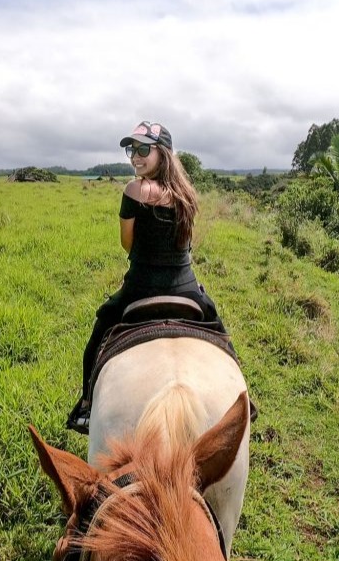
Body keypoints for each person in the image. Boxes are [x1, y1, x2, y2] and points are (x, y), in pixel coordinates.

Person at [66, 120, 230, 434]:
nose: (135, 156)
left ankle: (86, 406)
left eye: (143, 149)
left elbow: (126, 243)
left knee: (99, 333)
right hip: (185, 286)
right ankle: (243, 401)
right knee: (218, 328)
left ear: (163, 153)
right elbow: (186, 242)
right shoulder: (186, 193)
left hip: (140, 286)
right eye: (132, 149)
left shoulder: (135, 189)